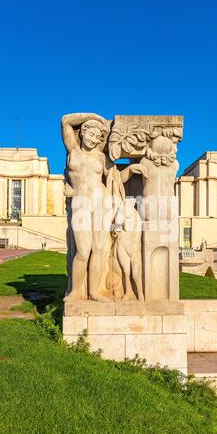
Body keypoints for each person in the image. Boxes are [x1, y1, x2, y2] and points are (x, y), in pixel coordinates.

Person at [62, 113, 147, 303]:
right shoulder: (73, 150)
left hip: (101, 202)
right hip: (81, 203)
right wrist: (95, 118)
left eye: (97, 136)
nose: (93, 139)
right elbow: (66, 121)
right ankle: (76, 291)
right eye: (90, 134)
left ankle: (94, 291)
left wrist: (131, 171)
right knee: (83, 251)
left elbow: (116, 178)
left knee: (100, 249)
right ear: (82, 132)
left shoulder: (101, 157)